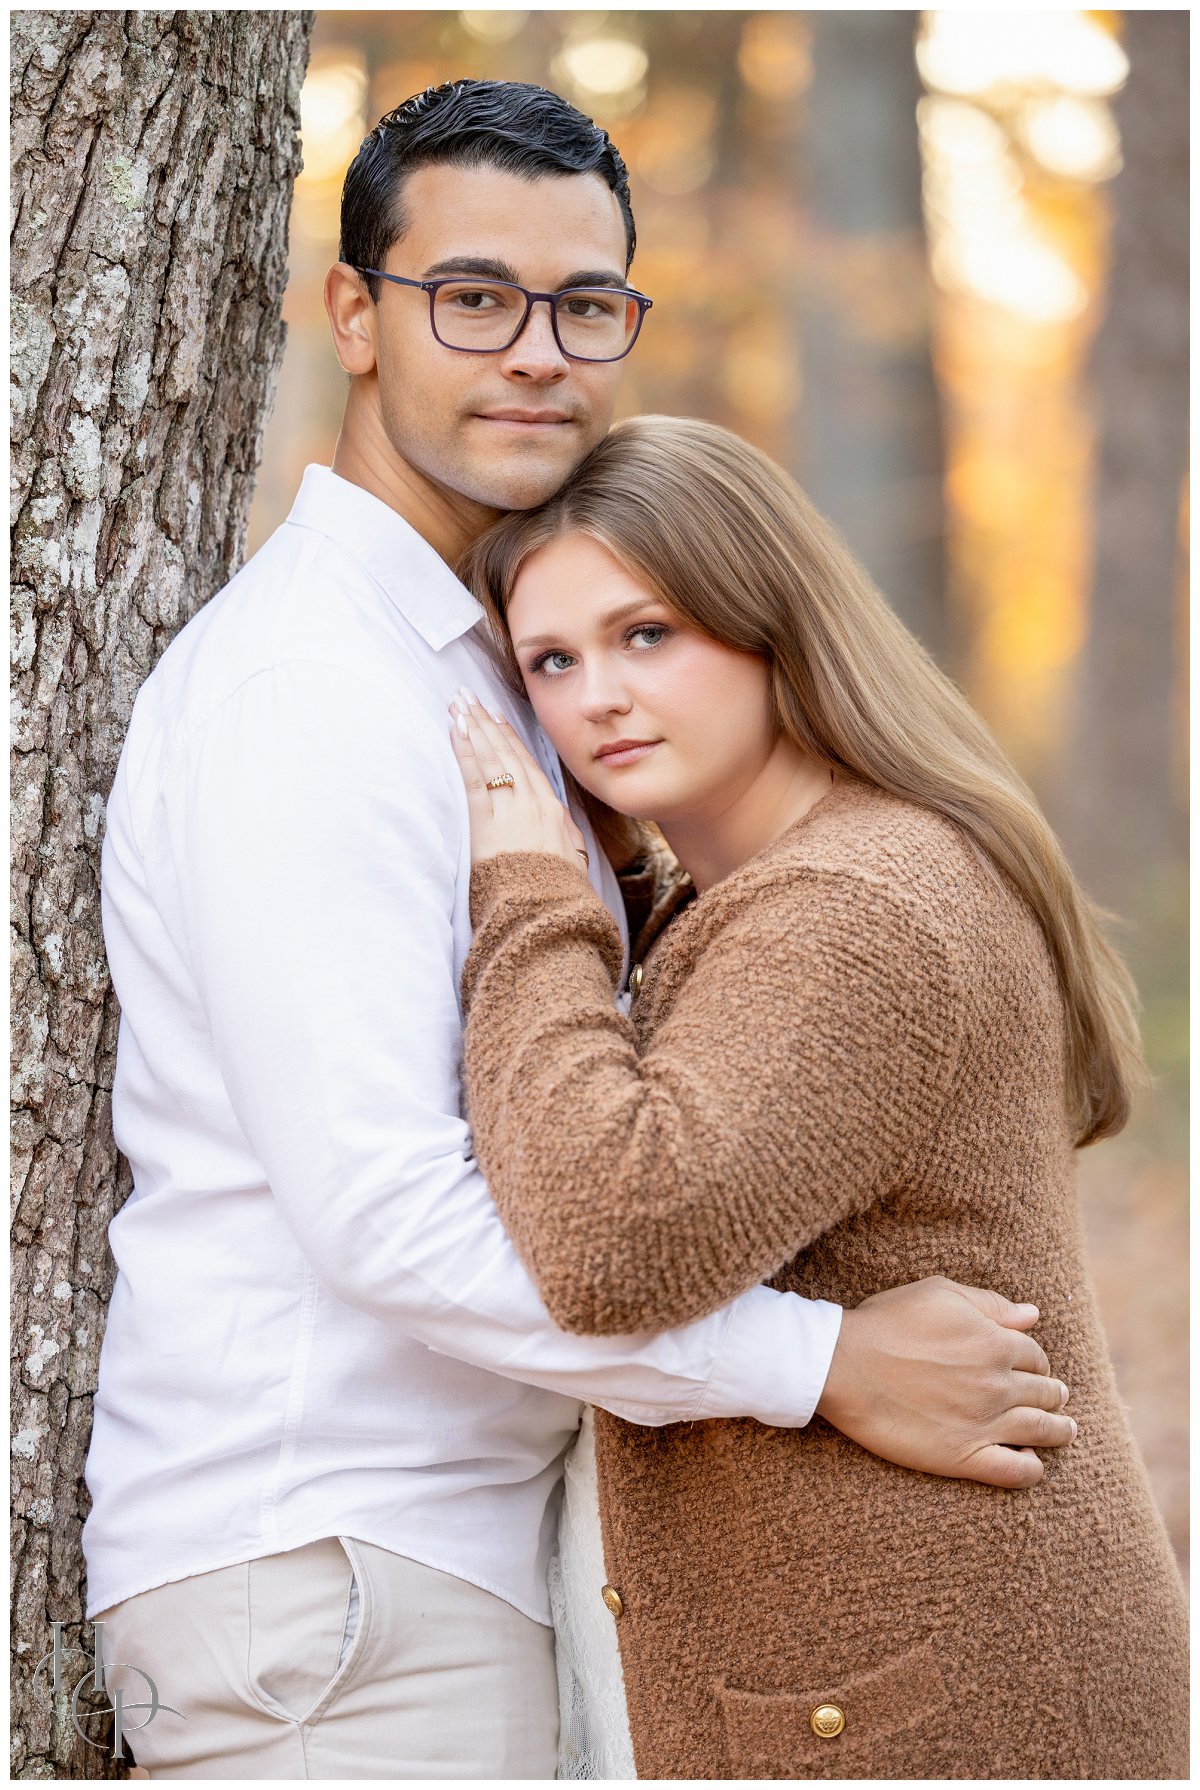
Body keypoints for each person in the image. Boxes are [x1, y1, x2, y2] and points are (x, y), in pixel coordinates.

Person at [85, 83, 1076, 1780]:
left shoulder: (490, 667)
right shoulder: (310, 691)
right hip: (333, 1570)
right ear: (356, 317)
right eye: (474, 298)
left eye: (587, 306)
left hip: (445, 1557)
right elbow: (390, 1214)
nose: (539, 354)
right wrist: (821, 1359)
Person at [449, 412, 1190, 1780]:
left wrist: (535, 903)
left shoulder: (855, 907)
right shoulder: (799, 881)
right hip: (909, 1675)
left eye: (647, 634)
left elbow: (617, 1240)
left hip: (944, 1703)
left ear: (771, 625)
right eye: (552, 660)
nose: (599, 695)